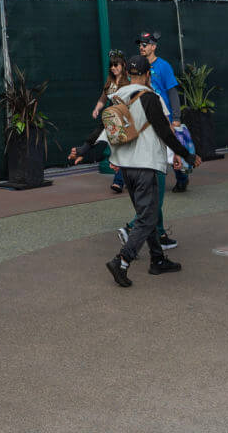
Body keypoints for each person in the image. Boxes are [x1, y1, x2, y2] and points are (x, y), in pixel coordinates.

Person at [70, 56, 200, 287]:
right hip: (146, 165)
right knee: (148, 217)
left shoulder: (118, 96)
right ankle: (122, 260)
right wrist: (187, 155)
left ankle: (158, 260)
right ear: (148, 74)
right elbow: (165, 133)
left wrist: (84, 148)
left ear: (129, 74)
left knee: (145, 215)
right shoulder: (150, 97)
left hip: (126, 168)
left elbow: (103, 127)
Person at [136, 31, 193, 192]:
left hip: (165, 117)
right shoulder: (138, 66)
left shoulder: (164, 66)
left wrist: (176, 118)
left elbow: (172, 92)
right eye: (140, 44)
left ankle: (182, 178)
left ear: (154, 47)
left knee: (171, 149)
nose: (141, 47)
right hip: (145, 116)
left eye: (145, 45)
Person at [94, 50, 127, 193]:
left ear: (123, 65)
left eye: (116, 65)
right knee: (121, 152)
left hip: (128, 122)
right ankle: (119, 181)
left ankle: (120, 181)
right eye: (111, 65)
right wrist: (97, 109)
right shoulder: (110, 83)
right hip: (115, 123)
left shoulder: (130, 82)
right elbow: (103, 98)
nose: (113, 68)